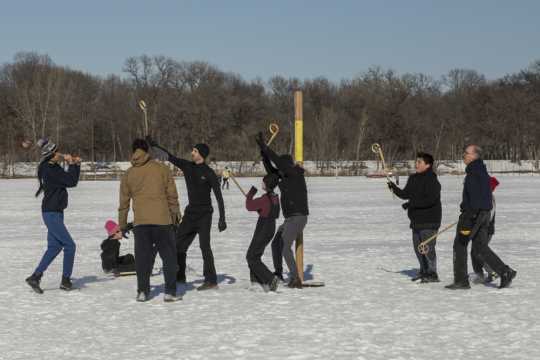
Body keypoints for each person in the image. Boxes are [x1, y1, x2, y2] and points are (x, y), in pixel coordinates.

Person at [146, 137, 227, 291]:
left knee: (205, 246)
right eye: (193, 150)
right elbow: (170, 157)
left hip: (204, 215)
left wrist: (222, 218)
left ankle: (211, 280)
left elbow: (219, 197)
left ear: (201, 154)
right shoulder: (188, 166)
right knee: (178, 245)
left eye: (195, 151)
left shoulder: (209, 173)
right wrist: (155, 146)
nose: (192, 152)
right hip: (190, 214)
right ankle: (180, 275)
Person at [118, 139, 182, 302]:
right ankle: (170, 291)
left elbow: (124, 203)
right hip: (163, 221)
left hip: (141, 222)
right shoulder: (162, 169)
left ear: (133, 152)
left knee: (142, 259)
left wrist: (122, 225)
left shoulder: (128, 174)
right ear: (147, 151)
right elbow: (172, 195)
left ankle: (142, 291)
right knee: (168, 257)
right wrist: (176, 215)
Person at [446, 145, 516, 290]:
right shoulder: (481, 171)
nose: (463, 155)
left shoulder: (474, 173)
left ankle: (461, 281)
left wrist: (468, 219)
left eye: (466, 153)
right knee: (480, 247)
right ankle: (505, 271)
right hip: (484, 215)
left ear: (474, 156)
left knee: (460, 245)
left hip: (474, 215)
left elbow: (475, 199)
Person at [25, 139, 81, 294]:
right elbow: (71, 181)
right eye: (57, 151)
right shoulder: (51, 170)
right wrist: (74, 164)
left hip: (53, 211)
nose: (60, 153)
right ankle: (65, 280)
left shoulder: (46, 166)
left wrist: (70, 163)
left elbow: (65, 178)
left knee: (54, 247)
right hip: (52, 213)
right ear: (51, 154)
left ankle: (35, 277)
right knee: (70, 246)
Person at [256, 132, 308, 288]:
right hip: (289, 219)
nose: (280, 170)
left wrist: (266, 148)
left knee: (285, 247)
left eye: (282, 167)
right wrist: (264, 156)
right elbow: (272, 171)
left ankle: (295, 278)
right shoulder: (285, 177)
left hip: (298, 217)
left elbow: (278, 163)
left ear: (287, 166)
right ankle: (278, 272)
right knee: (276, 243)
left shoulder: (295, 174)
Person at [388, 152, 442, 283]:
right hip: (416, 220)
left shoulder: (432, 180)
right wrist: (394, 188)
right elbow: (405, 194)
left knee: (427, 248)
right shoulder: (413, 178)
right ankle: (424, 271)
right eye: (416, 162)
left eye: (419, 162)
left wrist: (411, 204)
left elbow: (431, 200)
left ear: (428, 165)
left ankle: (432, 273)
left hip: (430, 220)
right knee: (418, 248)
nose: (416, 164)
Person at [245, 174, 281, 291]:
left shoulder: (265, 199)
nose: (262, 183)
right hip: (270, 227)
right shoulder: (275, 197)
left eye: (263, 182)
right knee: (255, 255)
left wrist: (250, 194)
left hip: (263, 227)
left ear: (267, 184)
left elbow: (249, 206)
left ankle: (270, 279)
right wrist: (260, 210)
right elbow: (268, 210)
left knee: (251, 257)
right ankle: (257, 282)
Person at [471, 176, 499, 284]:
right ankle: (480, 275)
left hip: (486, 230)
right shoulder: (484, 197)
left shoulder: (489, 199)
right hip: (481, 229)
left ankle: (492, 272)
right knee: (474, 253)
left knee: (479, 252)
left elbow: (486, 217)